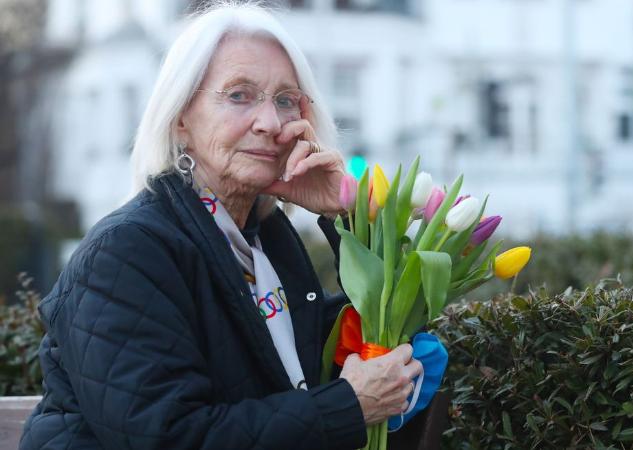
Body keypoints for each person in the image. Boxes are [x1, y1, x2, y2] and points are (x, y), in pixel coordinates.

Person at [20, 3, 423, 449]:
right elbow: (170, 437)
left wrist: (341, 215)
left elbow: (390, 325)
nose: (270, 123)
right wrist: (349, 405)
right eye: (239, 95)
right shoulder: (126, 251)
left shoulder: (266, 242)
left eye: (286, 100)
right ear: (180, 118)